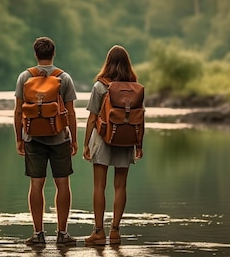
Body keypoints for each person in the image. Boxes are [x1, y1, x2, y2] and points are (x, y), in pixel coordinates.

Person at [14, 37, 78, 246]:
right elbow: (70, 113)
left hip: (32, 137)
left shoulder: (25, 77)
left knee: (36, 184)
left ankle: (38, 234)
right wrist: (74, 140)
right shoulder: (64, 78)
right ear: (53, 53)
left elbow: (17, 112)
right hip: (60, 138)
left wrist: (19, 139)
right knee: (62, 184)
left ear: (35, 54)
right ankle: (62, 234)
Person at [82, 45, 144, 245]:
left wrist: (85, 144)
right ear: (128, 64)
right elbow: (140, 119)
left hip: (102, 139)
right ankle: (115, 231)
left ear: (107, 62)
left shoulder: (100, 86)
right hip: (126, 141)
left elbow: (92, 118)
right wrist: (139, 145)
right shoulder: (135, 88)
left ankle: (98, 232)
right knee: (120, 186)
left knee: (99, 186)